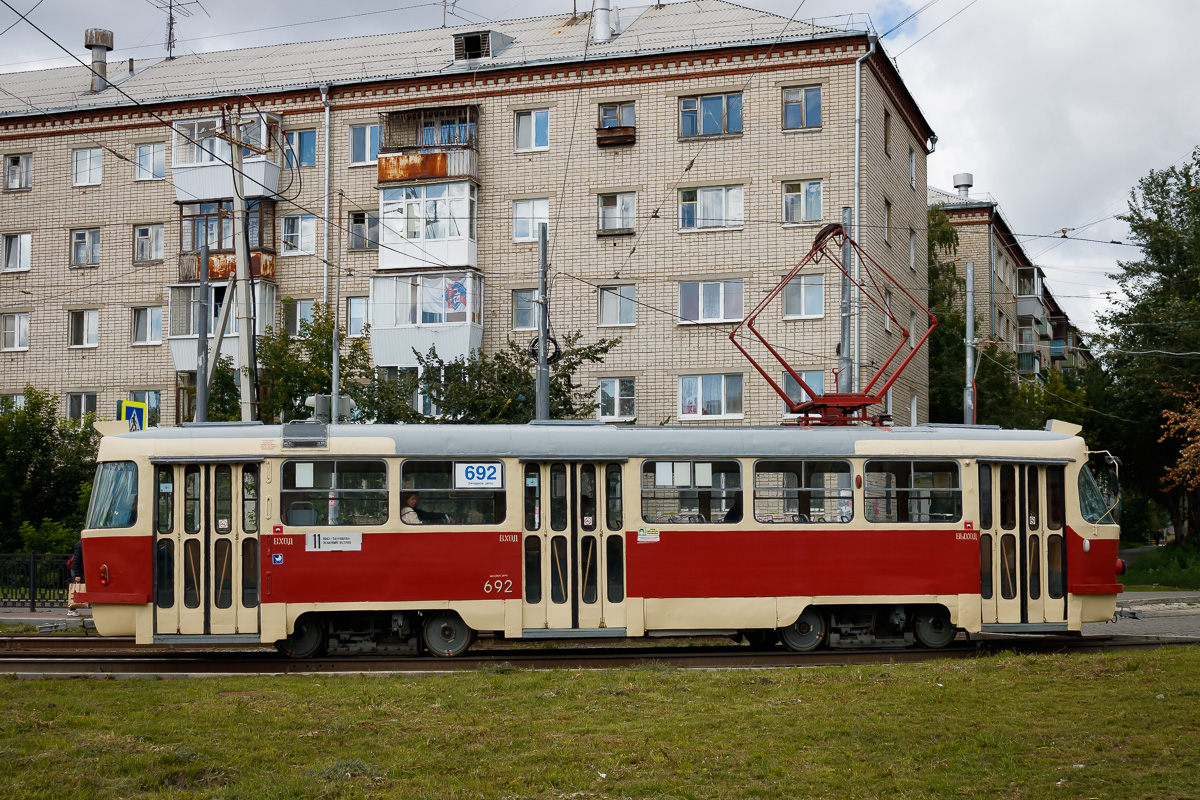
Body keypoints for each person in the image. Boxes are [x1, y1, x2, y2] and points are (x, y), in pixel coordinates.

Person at [68, 539, 85, 617]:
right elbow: (77, 561)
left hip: (79, 571)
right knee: (75, 590)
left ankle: (72, 609)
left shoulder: (81, 544)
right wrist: (77, 575)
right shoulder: (80, 545)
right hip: (77, 571)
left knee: (76, 590)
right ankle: (71, 609)